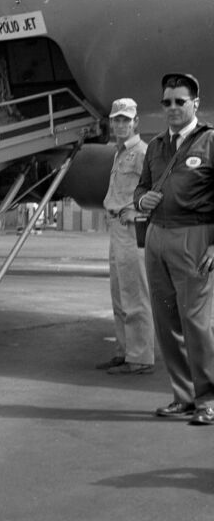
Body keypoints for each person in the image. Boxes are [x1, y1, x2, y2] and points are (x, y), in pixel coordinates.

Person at [133, 73, 214, 423]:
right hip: (157, 238)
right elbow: (140, 188)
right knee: (166, 321)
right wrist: (141, 201)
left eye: (180, 101)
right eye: (167, 102)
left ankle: (208, 400)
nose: (172, 108)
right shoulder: (155, 146)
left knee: (195, 321)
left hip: (194, 237)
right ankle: (183, 396)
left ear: (195, 103)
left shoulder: (209, 141)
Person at [95, 98, 155, 375]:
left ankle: (141, 357)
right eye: (116, 119)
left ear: (136, 123)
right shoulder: (119, 153)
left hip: (131, 230)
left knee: (135, 294)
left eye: (125, 120)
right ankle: (124, 351)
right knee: (119, 295)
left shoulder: (143, 152)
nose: (120, 124)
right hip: (116, 229)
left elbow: (158, 190)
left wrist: (138, 212)